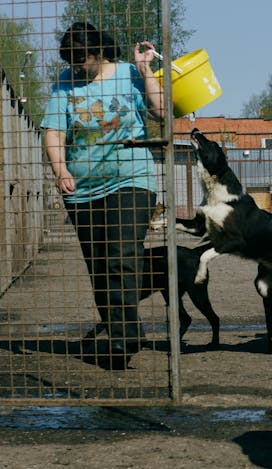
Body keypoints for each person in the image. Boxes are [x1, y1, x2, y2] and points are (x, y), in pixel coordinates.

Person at [41, 22, 164, 368]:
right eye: (72, 61)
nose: (77, 67)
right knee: (98, 268)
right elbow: (53, 131)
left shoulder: (129, 73)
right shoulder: (65, 82)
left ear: (99, 52)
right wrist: (60, 169)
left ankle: (122, 342)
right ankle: (127, 329)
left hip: (131, 179)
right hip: (82, 190)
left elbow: (161, 111)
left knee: (120, 256)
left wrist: (145, 69)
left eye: (82, 60)